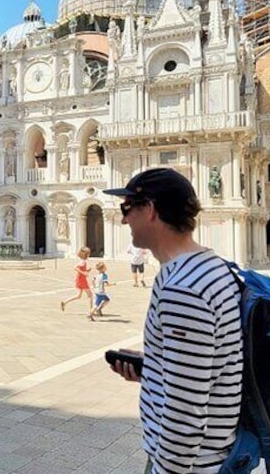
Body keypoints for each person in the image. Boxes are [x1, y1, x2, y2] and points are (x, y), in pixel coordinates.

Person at [104, 168, 242, 473]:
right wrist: (154, 366)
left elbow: (186, 413)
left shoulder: (183, 289)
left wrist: (165, 470)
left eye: (126, 208)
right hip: (210, 458)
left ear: (150, 210)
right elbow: (206, 370)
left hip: (191, 465)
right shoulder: (213, 267)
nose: (124, 219)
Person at [60, 247, 93, 313]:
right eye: (88, 253)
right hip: (82, 280)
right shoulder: (83, 262)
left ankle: (64, 302)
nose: (89, 255)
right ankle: (91, 311)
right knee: (90, 295)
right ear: (86, 254)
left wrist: (86, 271)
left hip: (80, 279)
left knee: (78, 296)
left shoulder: (82, 261)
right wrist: (84, 272)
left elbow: (80, 269)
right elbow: (75, 268)